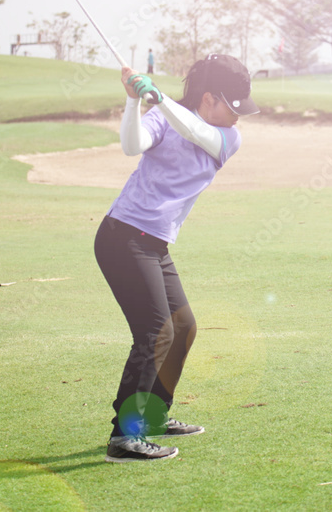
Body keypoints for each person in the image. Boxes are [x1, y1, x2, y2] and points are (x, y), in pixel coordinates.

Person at [95, 53, 259, 463]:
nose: (238, 118)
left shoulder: (225, 137)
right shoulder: (162, 117)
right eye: (232, 107)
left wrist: (159, 98)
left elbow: (195, 132)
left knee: (183, 328)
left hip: (153, 244)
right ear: (209, 98)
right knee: (155, 333)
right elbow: (132, 145)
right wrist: (134, 101)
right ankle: (124, 437)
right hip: (123, 237)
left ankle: (153, 415)